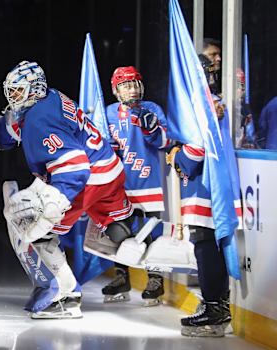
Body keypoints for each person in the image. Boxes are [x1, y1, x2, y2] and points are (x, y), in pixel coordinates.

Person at [0, 60, 142, 319]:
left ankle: (62, 296)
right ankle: (130, 234)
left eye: (18, 91)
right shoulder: (50, 97)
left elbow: (75, 166)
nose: (13, 97)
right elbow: (16, 123)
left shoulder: (38, 120)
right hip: (109, 170)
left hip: (87, 178)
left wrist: (53, 204)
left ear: (34, 89)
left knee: (30, 228)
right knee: (116, 230)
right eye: (11, 91)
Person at [164, 55, 242, 338]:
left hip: (203, 185)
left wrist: (175, 155)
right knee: (210, 244)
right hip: (214, 183)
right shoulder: (213, 100)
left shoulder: (198, 103)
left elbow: (195, 151)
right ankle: (216, 305)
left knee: (205, 244)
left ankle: (214, 310)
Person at [101, 66, 170, 306]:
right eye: (126, 85)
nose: (132, 89)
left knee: (152, 232)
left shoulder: (152, 109)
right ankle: (122, 277)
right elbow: (104, 147)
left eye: (135, 83)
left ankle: (155, 279)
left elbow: (165, 141)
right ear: (116, 90)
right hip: (121, 185)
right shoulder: (108, 113)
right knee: (120, 233)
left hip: (149, 181)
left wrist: (151, 128)